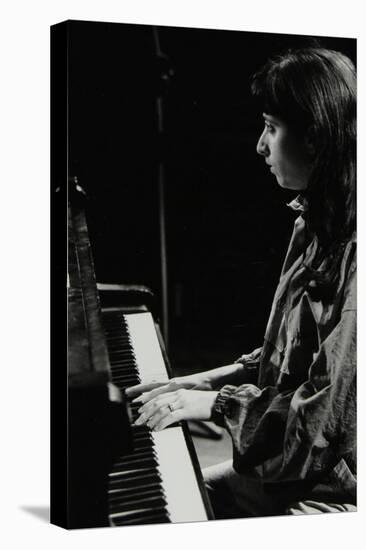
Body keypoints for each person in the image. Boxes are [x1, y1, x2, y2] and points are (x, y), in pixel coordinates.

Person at [125, 48, 356, 518]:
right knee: (155, 509)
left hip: (336, 492)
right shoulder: (312, 223)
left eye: (271, 127)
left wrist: (215, 404)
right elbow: (290, 360)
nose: (259, 145)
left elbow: (318, 429)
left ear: (313, 137)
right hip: (291, 477)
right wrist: (209, 379)